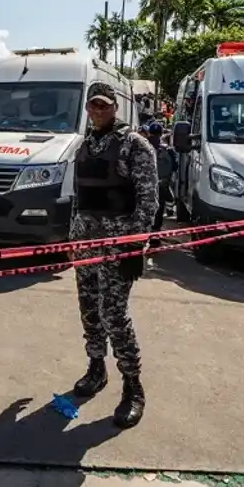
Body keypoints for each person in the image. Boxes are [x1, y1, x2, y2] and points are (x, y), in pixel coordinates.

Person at [69, 82, 157, 429]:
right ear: (88, 108)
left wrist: (136, 244)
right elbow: (79, 195)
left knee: (113, 315)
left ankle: (132, 385)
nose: (99, 111)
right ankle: (96, 367)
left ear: (115, 107)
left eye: (105, 105)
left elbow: (148, 198)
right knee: (90, 310)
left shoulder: (135, 145)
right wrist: (70, 237)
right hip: (85, 244)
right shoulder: (84, 145)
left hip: (118, 246)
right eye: (94, 106)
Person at [144, 123, 175, 231]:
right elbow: (175, 166)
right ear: (161, 133)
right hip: (161, 183)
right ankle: (155, 231)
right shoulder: (168, 149)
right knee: (159, 207)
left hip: (144, 183)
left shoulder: (141, 145)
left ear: (149, 133)